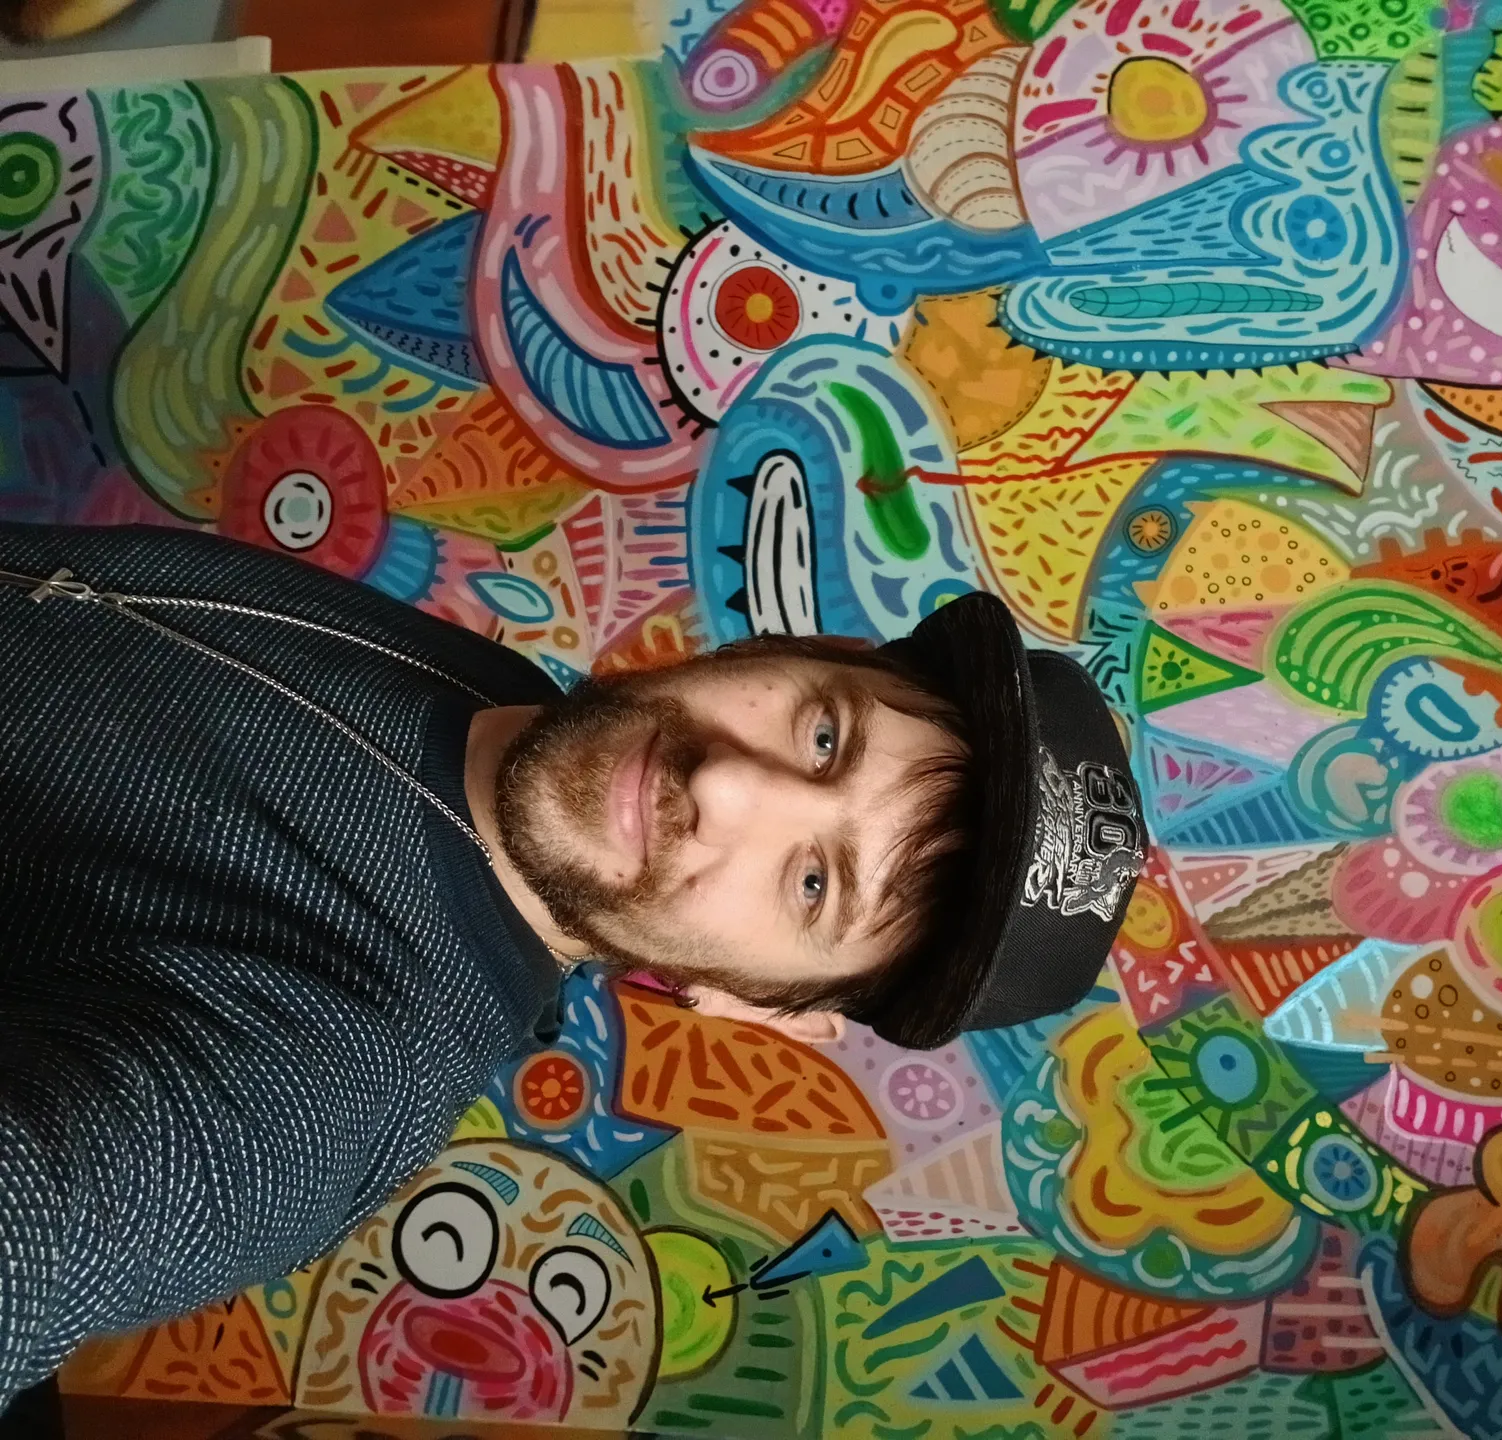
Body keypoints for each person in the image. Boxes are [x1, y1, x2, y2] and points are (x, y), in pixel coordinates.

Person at [0, 521, 1145, 1403]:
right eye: (824, 735)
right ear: (797, 652)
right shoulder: (517, 708)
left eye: (813, 885)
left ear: (759, 1009)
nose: (726, 786)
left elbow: (45, 1228)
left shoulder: (324, 1081)